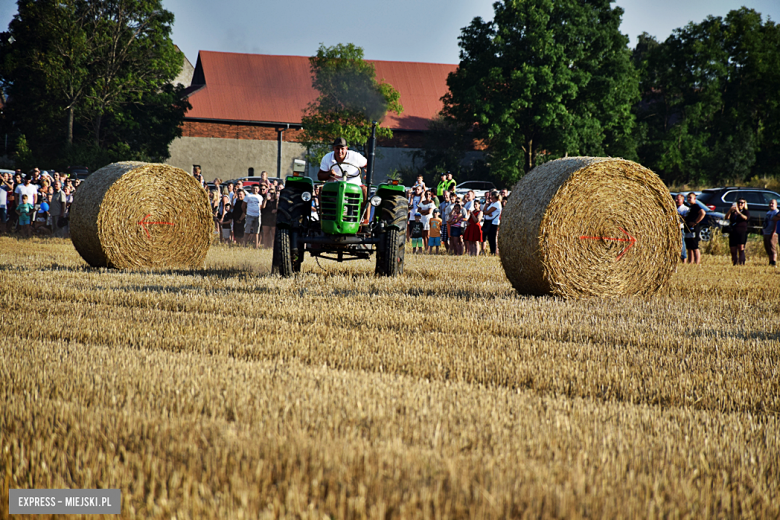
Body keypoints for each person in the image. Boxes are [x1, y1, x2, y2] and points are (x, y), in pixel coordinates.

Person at [318, 137, 368, 222]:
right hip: (334, 186)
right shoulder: (327, 158)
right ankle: (324, 218)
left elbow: (368, 164)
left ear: (346, 149)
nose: (340, 151)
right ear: (333, 148)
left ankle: (365, 220)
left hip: (354, 186)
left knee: (365, 191)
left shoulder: (355, 156)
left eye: (342, 149)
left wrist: (367, 173)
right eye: (337, 149)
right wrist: (329, 174)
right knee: (322, 189)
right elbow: (320, 176)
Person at [725, 198, 750, 265]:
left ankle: (741, 263)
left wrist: (738, 212)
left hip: (741, 232)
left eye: (742, 203)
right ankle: (734, 263)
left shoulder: (745, 211)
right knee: (733, 250)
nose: (740, 204)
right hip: (733, 232)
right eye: (738, 202)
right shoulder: (733, 212)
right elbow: (726, 217)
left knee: (741, 249)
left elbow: (745, 218)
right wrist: (730, 210)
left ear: (745, 204)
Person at [684, 192, 705, 265]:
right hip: (688, 228)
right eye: (688, 197)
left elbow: (702, 213)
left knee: (695, 246)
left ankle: (697, 262)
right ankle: (690, 262)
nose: (689, 199)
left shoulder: (696, 206)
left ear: (694, 199)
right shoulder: (691, 207)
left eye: (690, 197)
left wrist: (695, 222)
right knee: (689, 247)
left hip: (694, 229)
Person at [483, 191, 502, 255]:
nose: (490, 197)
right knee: (490, 238)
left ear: (494, 196)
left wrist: (486, 212)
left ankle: (493, 251)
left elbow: (487, 212)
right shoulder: (492, 203)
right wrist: (486, 205)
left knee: (492, 238)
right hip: (489, 222)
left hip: (494, 223)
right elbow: (485, 211)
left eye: (491, 195)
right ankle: (492, 251)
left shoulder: (497, 204)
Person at [765, 199, 779, 267]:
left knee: (772, 247)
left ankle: (774, 262)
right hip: (766, 232)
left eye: (772, 203)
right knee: (768, 247)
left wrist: (774, 232)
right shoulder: (768, 212)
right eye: (770, 203)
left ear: (776, 205)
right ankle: (770, 261)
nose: (771, 204)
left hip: (772, 232)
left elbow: (776, 223)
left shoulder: (776, 212)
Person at [675, 193, 688, 262]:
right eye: (676, 199)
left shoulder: (685, 209)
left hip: (680, 228)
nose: (676, 200)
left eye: (678, 199)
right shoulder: (673, 208)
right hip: (673, 229)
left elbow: (685, 219)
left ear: (683, 200)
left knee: (682, 244)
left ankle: (684, 259)